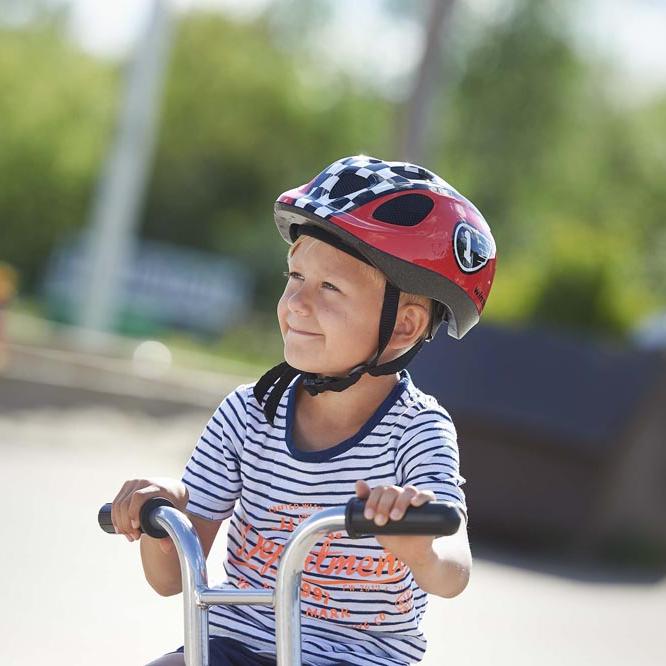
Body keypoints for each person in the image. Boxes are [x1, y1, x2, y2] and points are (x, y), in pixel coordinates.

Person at [111, 155, 497, 666]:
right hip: (236, 646)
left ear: (403, 326)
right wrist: (161, 523)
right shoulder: (247, 415)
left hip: (357, 659)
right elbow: (170, 581)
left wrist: (418, 547)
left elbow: (454, 573)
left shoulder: (418, 431)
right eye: (295, 276)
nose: (296, 302)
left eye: (329, 287)